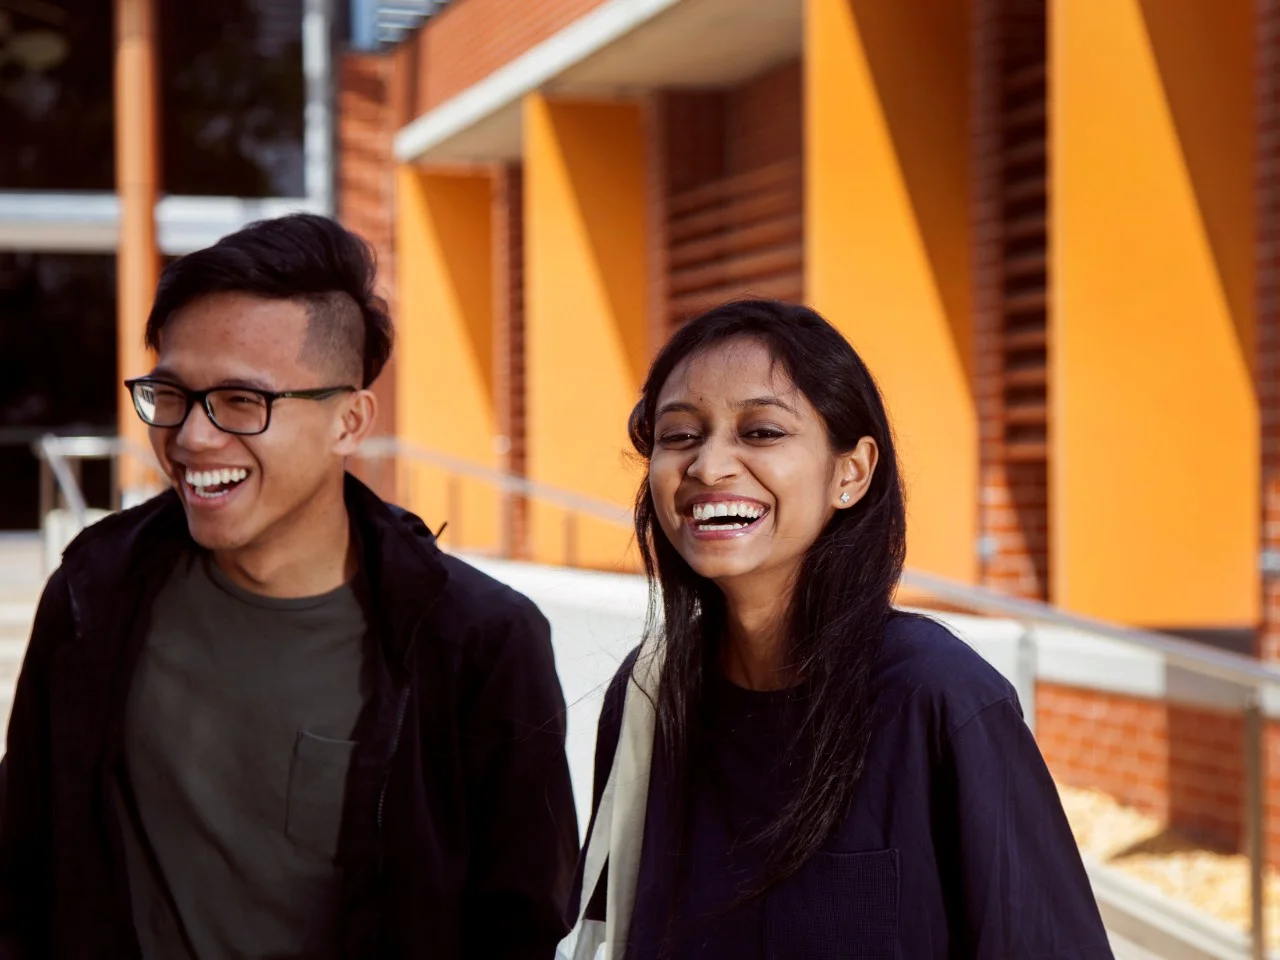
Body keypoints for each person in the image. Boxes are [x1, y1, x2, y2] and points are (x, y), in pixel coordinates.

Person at [0, 214, 578, 958]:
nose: (192, 438)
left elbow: (519, 924)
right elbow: (24, 860)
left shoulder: (477, 641)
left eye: (244, 402)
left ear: (349, 421)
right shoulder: (94, 589)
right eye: (171, 394)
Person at [569, 300, 1112, 958]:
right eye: (680, 435)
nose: (710, 467)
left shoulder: (937, 698)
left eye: (762, 432)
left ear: (851, 473)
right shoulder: (650, 698)